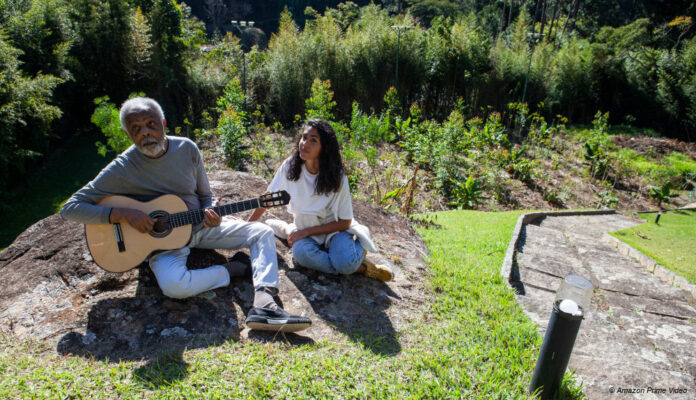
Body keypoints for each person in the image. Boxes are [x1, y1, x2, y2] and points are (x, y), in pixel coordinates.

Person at [60, 97, 311, 332]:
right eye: (136, 128)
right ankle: (234, 269)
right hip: (161, 245)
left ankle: (265, 304)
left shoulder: (186, 149)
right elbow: (71, 208)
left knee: (263, 231)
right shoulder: (123, 166)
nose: (145, 132)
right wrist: (123, 214)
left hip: (200, 227)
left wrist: (211, 212)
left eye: (150, 124)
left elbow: (204, 195)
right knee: (173, 286)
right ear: (128, 133)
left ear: (164, 124)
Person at [249, 118, 393, 281]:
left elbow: (345, 222)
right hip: (305, 232)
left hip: (335, 233)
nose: (304, 143)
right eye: (304, 137)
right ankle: (361, 268)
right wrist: (247, 227)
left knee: (344, 263)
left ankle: (354, 253)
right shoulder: (290, 166)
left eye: (313, 140)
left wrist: (306, 232)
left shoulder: (337, 177)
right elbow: (267, 199)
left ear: (324, 148)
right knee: (300, 255)